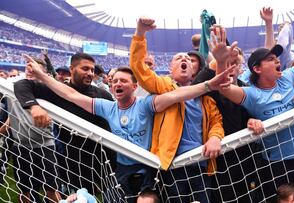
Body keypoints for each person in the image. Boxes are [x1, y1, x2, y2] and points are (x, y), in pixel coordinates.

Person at [24, 54, 233, 203]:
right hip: (121, 169)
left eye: (123, 81)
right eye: (114, 81)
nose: (117, 84)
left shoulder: (145, 105)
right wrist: (42, 76)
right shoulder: (107, 107)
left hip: (148, 166)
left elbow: (176, 95)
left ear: (134, 87)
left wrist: (208, 85)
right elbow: (71, 95)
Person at [211, 13, 294, 201]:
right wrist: (220, 61)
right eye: (271, 59)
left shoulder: (287, 78)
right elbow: (223, 88)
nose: (277, 61)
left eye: (277, 57)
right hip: (274, 165)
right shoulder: (252, 94)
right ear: (257, 69)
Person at [130, 17, 225, 203]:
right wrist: (140, 33)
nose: (184, 59)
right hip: (172, 166)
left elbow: (216, 122)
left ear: (193, 71)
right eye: (178, 58)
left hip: (201, 165)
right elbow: (139, 69)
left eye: (188, 59)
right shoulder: (163, 86)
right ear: (170, 69)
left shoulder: (205, 99)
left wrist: (215, 138)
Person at [14, 53, 117, 195]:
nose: (90, 73)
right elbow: (22, 85)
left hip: (104, 158)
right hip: (73, 161)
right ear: (72, 69)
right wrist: (34, 106)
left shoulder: (102, 94)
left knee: (110, 195)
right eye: (85, 69)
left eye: (92, 70)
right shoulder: (57, 91)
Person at [192, 46, 263, 202]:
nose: (230, 68)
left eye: (234, 64)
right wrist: (217, 63)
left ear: (240, 67)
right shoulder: (211, 86)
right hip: (218, 154)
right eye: (226, 63)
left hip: (246, 153)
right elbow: (193, 91)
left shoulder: (247, 88)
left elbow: (252, 113)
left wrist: (251, 120)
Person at [1, 58, 61, 203]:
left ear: (43, 73)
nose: (30, 71)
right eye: (28, 68)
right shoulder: (12, 88)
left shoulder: (47, 92)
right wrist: (3, 129)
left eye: (34, 69)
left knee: (51, 189)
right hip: (21, 147)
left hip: (45, 145)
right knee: (24, 190)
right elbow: (13, 114)